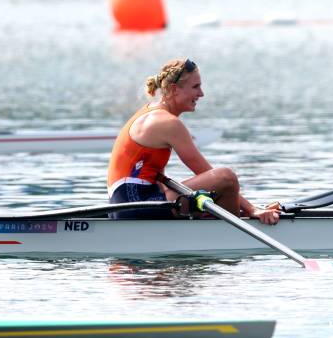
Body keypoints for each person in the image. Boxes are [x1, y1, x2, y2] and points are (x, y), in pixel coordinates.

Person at [107, 58, 280, 224]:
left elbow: (158, 181)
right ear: (174, 89)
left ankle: (222, 221)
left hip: (126, 204)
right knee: (226, 178)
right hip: (135, 205)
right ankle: (230, 234)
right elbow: (206, 173)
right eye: (196, 87)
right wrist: (252, 210)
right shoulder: (168, 123)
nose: (201, 94)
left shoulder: (149, 112)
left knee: (215, 190)